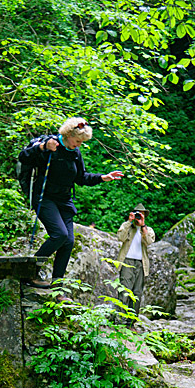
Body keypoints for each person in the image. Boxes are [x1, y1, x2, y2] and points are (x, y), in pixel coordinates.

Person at [19, 117, 123, 290]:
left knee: (68, 241)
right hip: (44, 198)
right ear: (68, 135)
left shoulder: (75, 153)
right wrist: (43, 148)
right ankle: (29, 271)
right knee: (59, 235)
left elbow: (81, 177)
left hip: (64, 200)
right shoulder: (50, 145)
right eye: (78, 141)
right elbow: (24, 156)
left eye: (82, 142)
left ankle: (57, 286)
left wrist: (102, 178)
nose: (79, 145)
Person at [117, 203, 155, 323]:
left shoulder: (148, 230)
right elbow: (120, 237)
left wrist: (142, 226)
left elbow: (149, 241)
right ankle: (120, 320)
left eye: (141, 214)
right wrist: (129, 222)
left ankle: (131, 322)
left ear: (144, 216)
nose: (139, 216)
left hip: (141, 264)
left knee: (137, 293)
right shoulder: (127, 226)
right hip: (126, 262)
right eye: (137, 214)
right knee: (124, 291)